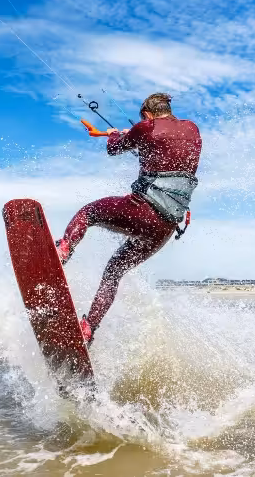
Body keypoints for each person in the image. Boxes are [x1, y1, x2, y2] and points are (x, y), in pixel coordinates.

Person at [55, 93, 202, 345]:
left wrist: (114, 134)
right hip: (165, 228)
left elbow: (113, 149)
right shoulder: (192, 128)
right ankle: (88, 328)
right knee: (113, 272)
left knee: (88, 212)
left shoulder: (146, 127)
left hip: (143, 210)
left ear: (146, 113)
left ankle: (64, 250)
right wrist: (135, 136)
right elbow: (167, 152)